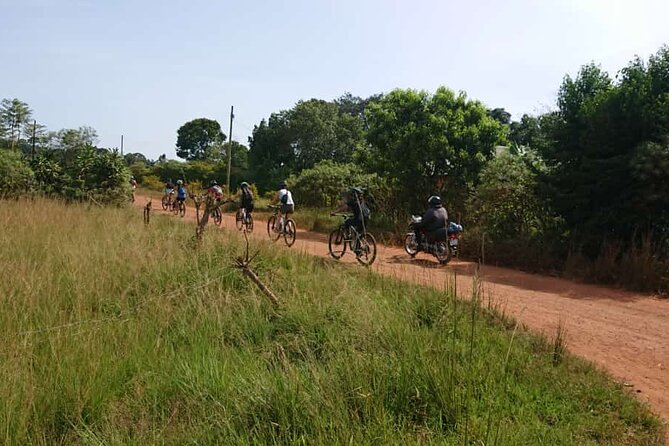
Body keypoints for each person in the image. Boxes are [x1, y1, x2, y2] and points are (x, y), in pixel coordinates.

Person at [331, 187, 369, 254]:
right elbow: (359, 211)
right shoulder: (362, 201)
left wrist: (335, 212)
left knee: (347, 222)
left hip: (359, 219)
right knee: (358, 233)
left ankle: (349, 237)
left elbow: (344, 207)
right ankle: (358, 248)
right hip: (365, 219)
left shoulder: (353, 201)